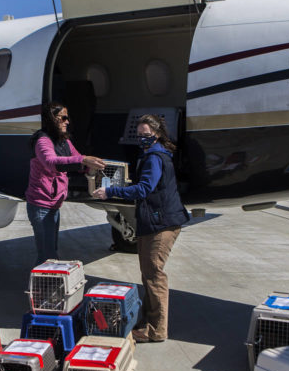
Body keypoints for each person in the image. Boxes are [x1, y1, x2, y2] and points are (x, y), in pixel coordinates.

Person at [93, 114, 189, 342]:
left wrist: (110, 191)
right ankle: (148, 321)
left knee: (154, 275)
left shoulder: (155, 156)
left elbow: (144, 189)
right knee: (148, 274)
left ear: (156, 134)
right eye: (140, 135)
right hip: (153, 222)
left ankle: (157, 330)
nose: (143, 139)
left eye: (147, 135)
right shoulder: (152, 154)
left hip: (161, 223)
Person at [26, 102, 105, 267]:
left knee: (49, 252)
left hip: (53, 204)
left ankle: (46, 287)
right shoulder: (43, 141)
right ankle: (45, 289)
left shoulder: (64, 142)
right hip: (41, 206)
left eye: (67, 118)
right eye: (63, 117)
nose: (67, 121)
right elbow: (51, 162)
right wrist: (83, 160)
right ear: (52, 119)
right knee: (47, 255)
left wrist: (90, 166)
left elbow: (77, 158)